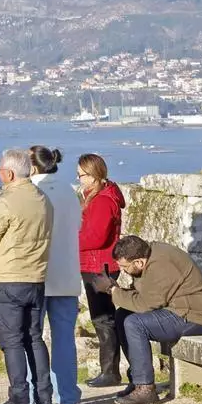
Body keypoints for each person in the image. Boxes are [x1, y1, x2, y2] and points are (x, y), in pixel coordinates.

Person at [93, 236, 202, 404]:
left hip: (195, 317)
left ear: (139, 262)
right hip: (177, 310)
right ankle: (137, 380)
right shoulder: (149, 257)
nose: (123, 271)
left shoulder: (160, 264)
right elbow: (144, 297)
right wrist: (116, 289)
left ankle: (145, 389)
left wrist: (110, 289)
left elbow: (145, 304)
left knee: (134, 323)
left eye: (124, 267)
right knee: (123, 315)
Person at [0, 148, 55, 404]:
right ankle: (45, 397)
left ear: (8, 174)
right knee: (34, 338)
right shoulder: (43, 199)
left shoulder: (7, 202)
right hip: (36, 277)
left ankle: (20, 399)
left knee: (11, 341)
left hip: (10, 278)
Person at [27, 146, 83, 404]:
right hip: (67, 272)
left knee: (31, 338)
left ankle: (35, 394)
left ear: (33, 166)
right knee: (64, 339)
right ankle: (68, 395)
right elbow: (78, 226)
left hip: (36, 274)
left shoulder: (31, 191)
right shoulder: (69, 191)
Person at [76, 153, 127, 388]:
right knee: (104, 318)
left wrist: (69, 239)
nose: (79, 180)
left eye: (82, 175)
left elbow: (96, 237)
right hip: (96, 264)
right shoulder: (99, 197)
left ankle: (110, 372)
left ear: (94, 175)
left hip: (99, 266)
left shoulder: (103, 201)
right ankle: (110, 370)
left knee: (103, 319)